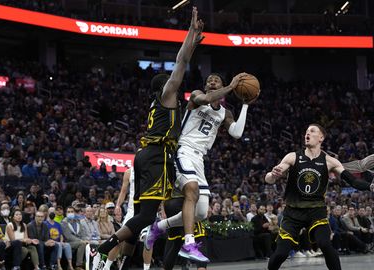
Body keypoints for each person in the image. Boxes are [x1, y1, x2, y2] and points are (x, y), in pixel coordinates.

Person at [94, 7, 204, 270]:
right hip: (155, 157)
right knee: (146, 215)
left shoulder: (158, 105)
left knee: (142, 215)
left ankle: (123, 263)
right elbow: (180, 62)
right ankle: (103, 248)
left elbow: (182, 65)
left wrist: (193, 42)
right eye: (173, 83)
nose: (177, 85)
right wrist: (190, 33)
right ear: (166, 86)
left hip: (145, 157)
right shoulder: (167, 96)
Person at [144, 70, 250, 261]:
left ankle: (158, 227)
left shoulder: (225, 113)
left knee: (200, 213)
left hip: (199, 159)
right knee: (191, 190)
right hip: (183, 150)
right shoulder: (196, 96)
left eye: (216, 80)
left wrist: (245, 105)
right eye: (209, 80)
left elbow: (236, 133)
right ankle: (189, 243)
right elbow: (208, 98)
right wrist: (231, 86)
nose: (212, 82)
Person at [265, 123, 374, 270]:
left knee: (325, 245)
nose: (307, 134)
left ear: (321, 137)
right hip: (292, 213)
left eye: (312, 131)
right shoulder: (293, 157)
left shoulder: (330, 161)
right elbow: (269, 179)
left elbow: (353, 180)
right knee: (281, 253)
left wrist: (370, 186)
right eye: (306, 132)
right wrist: (272, 175)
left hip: (316, 212)